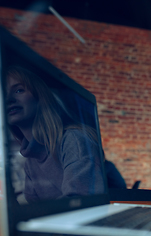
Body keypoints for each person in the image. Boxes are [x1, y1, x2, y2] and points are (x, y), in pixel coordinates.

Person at [6, 66, 105, 203]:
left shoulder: (74, 139)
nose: (9, 99)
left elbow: (78, 202)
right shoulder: (30, 162)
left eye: (19, 90)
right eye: (3, 94)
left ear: (39, 97)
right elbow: (33, 210)